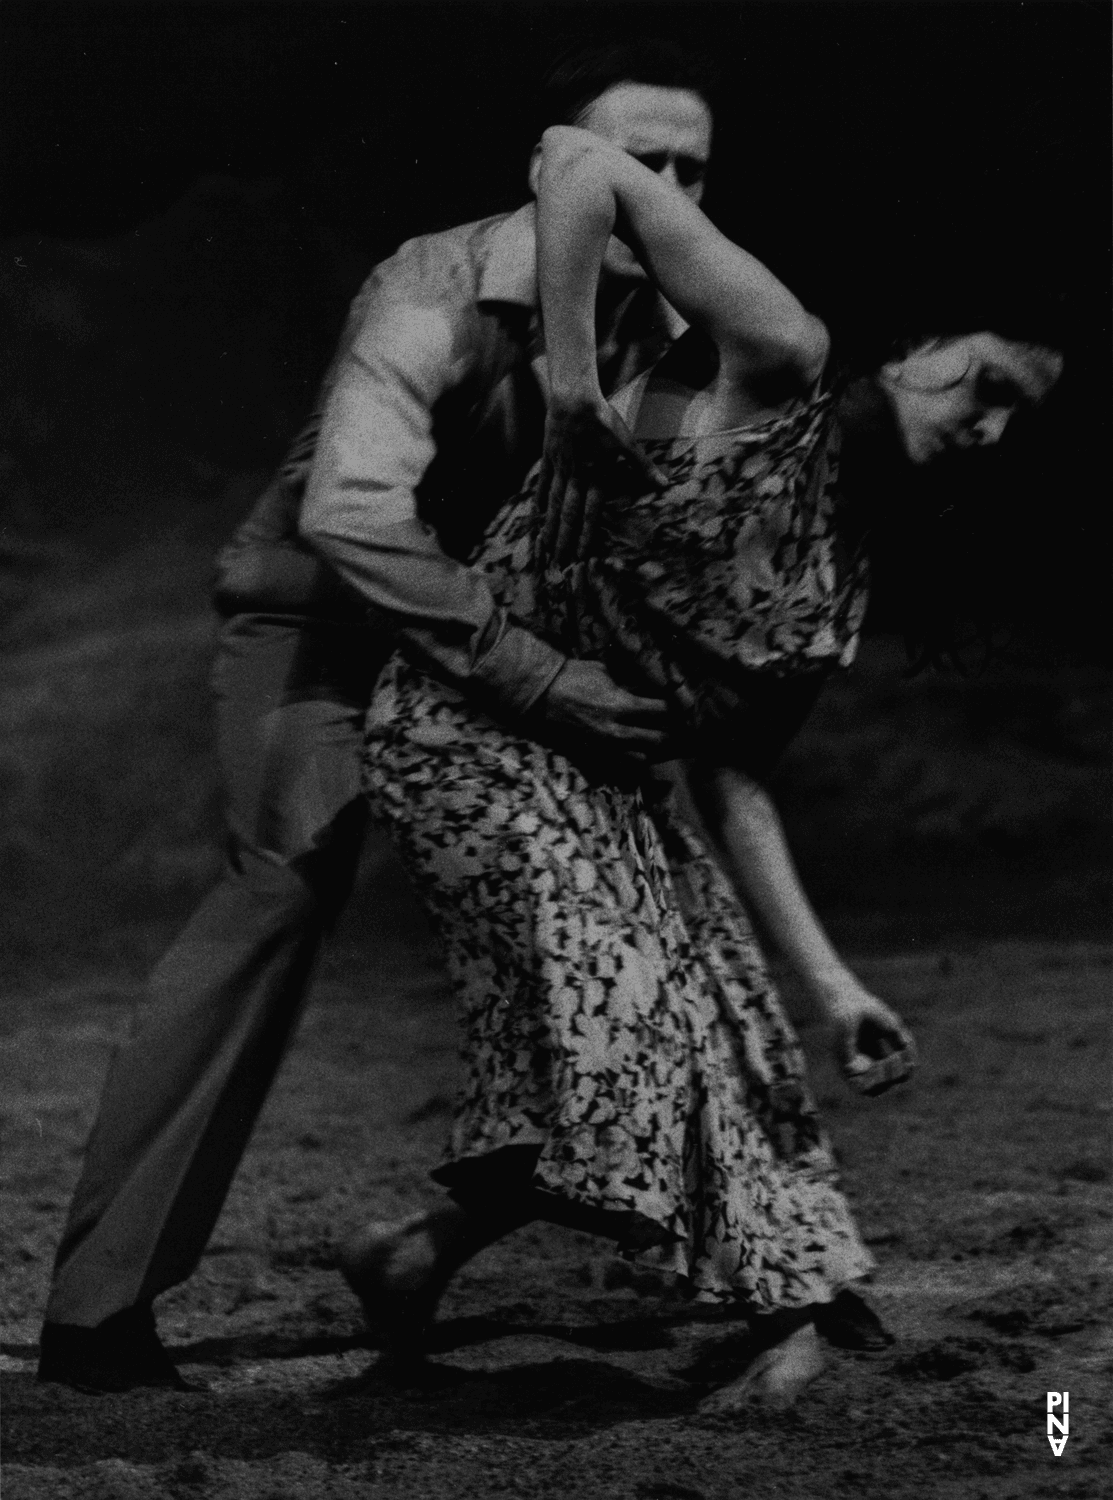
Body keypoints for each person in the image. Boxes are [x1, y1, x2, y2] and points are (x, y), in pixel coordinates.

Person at [336, 125, 1063, 1407]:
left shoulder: (837, 587)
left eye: (1018, 421)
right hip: (470, 730)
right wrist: (571, 384)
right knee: (624, 1012)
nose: (991, 428)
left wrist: (833, 990)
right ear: (917, 349)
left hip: (608, 778)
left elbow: (733, 779)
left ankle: (413, 1254)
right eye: (985, 385)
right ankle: (774, 1319)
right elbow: (577, 160)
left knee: (731, 1032)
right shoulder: (780, 362)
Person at [37, 42, 720, 1394]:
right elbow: (350, 515)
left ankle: (485, 1242)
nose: (669, 189)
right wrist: (539, 677)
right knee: (284, 887)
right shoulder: (434, 285)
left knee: (640, 888)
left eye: (695, 169)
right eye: (638, 162)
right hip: (324, 625)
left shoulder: (670, 332)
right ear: (558, 173)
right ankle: (96, 1307)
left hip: (492, 644)